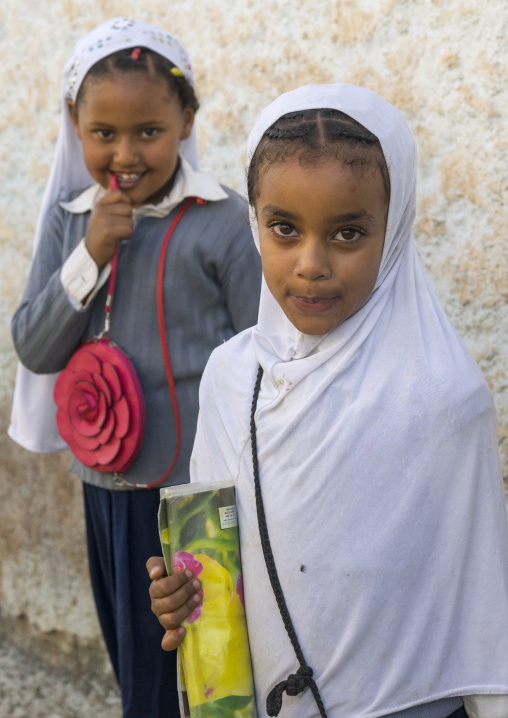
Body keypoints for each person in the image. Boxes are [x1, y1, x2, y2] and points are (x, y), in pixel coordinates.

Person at [146, 84, 508, 718]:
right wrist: (183, 594)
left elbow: (482, 611)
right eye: (283, 228)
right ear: (254, 223)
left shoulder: (443, 402)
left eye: (347, 233)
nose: (310, 264)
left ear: (393, 232)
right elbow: (212, 555)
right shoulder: (232, 376)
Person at [10, 18, 261, 718]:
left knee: (206, 671)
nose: (125, 153)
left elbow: (265, 357)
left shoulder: (222, 225)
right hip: (105, 492)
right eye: (104, 134)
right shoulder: (69, 221)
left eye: (148, 130)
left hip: (199, 498)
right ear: (75, 125)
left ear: (186, 119)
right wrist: (89, 253)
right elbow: (35, 347)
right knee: (133, 657)